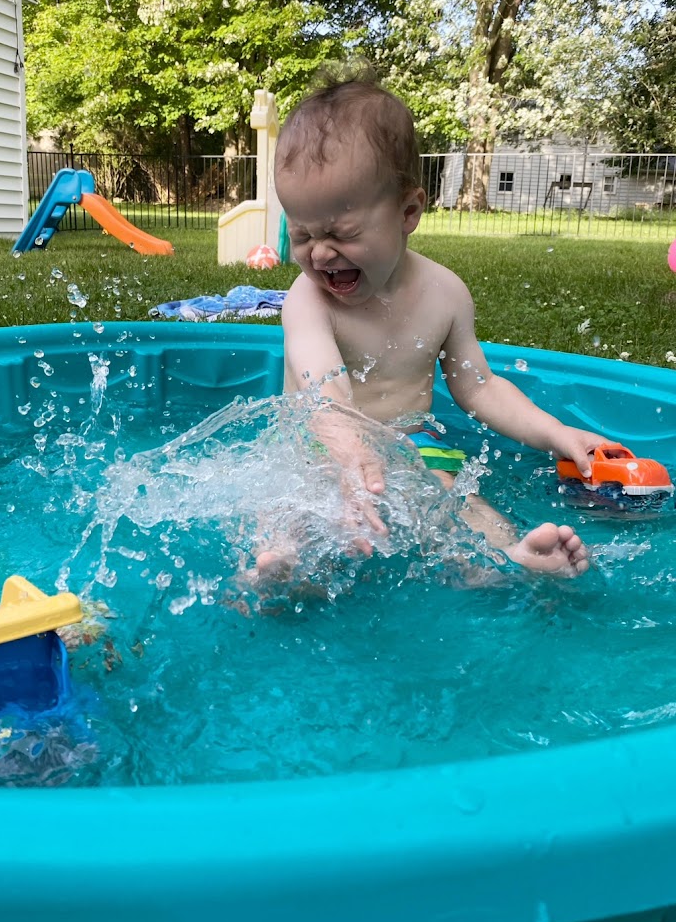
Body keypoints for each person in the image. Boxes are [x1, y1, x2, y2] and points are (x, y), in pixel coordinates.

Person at [258, 62, 616, 581]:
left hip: (414, 442)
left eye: (342, 233)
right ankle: (277, 571)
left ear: (408, 212)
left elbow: (480, 388)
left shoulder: (444, 294)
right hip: (319, 444)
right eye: (303, 235)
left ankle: (509, 559)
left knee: (457, 505)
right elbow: (323, 393)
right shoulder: (307, 300)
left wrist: (556, 434)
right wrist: (352, 451)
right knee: (287, 508)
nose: (321, 254)